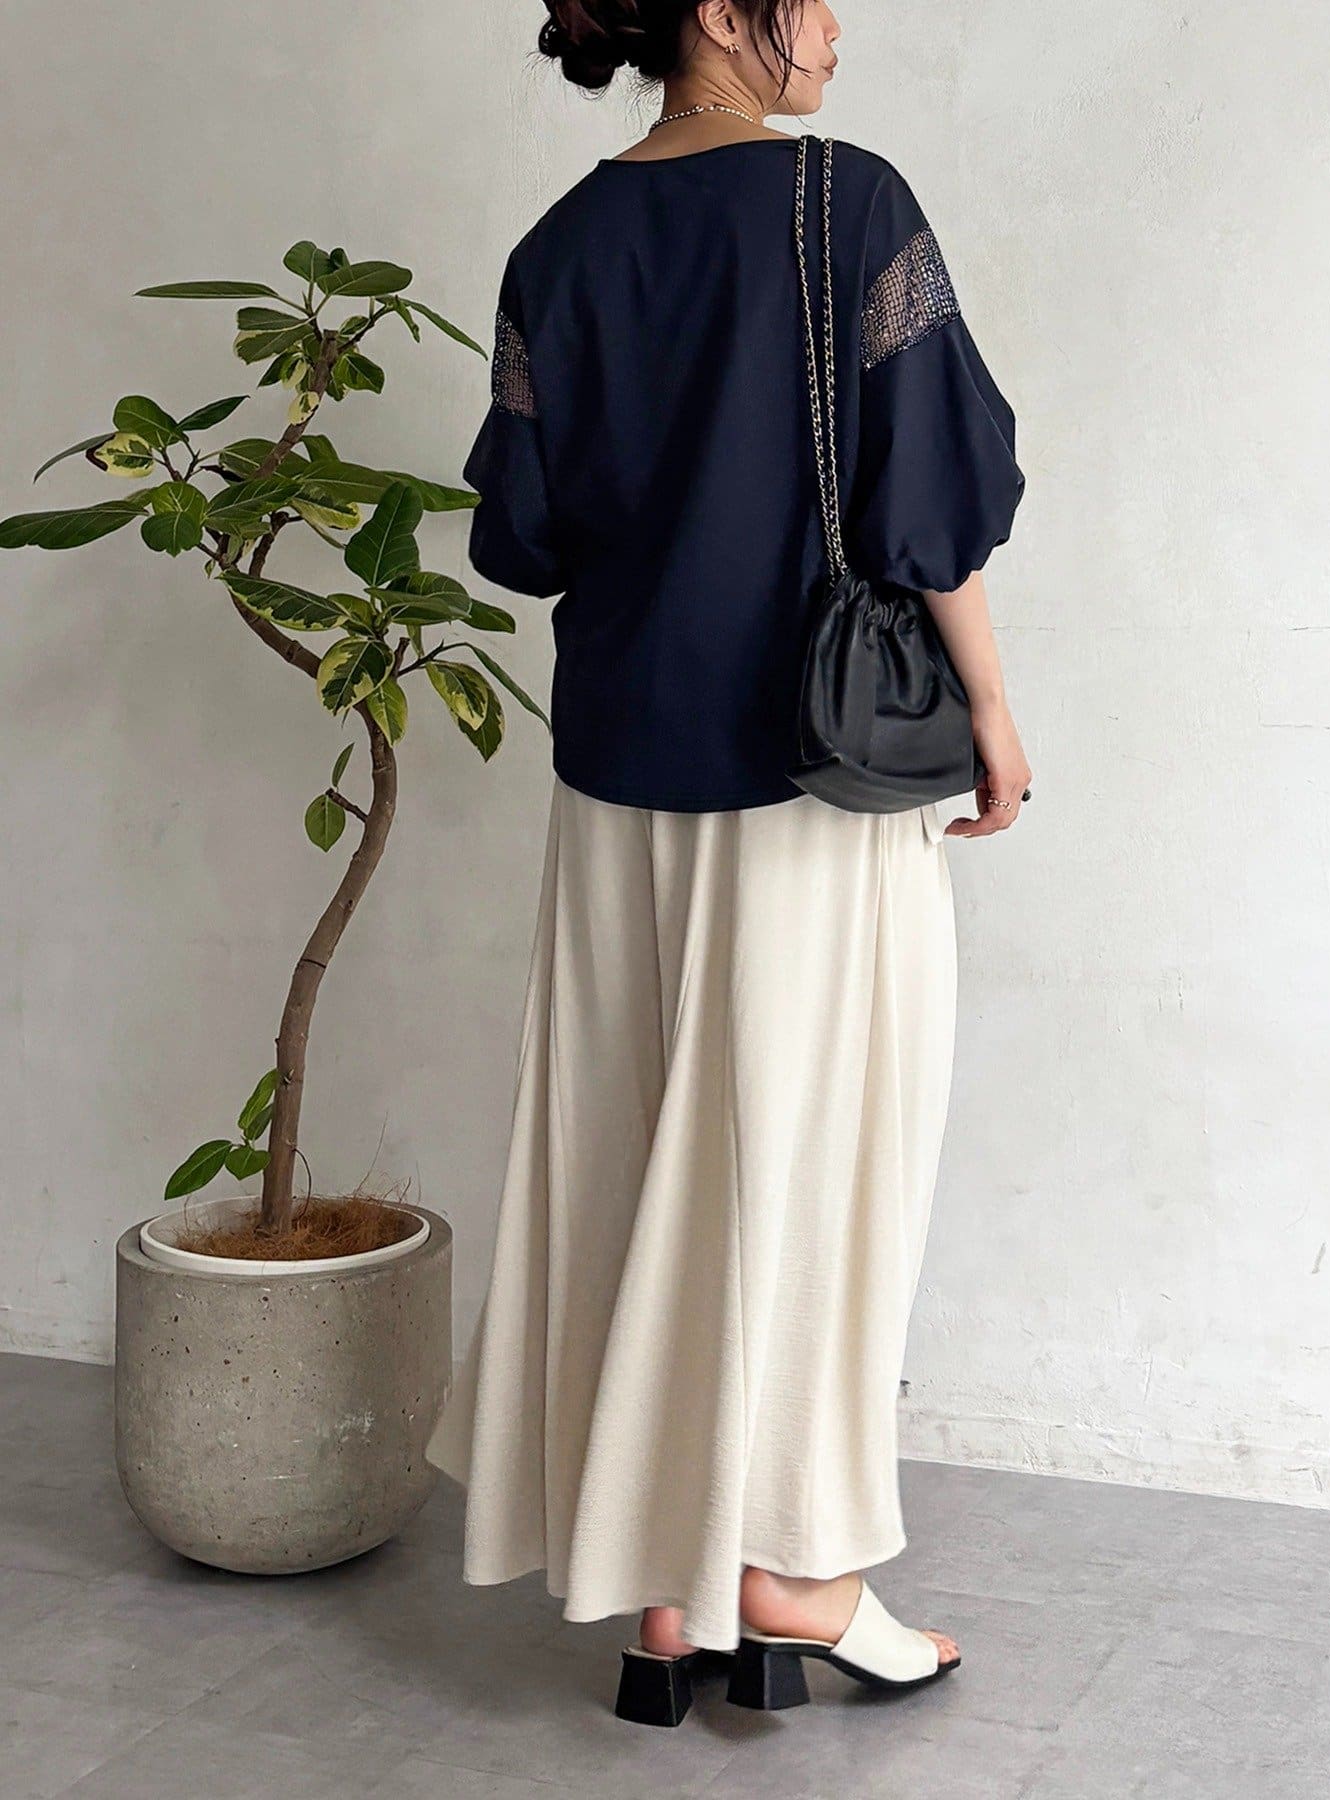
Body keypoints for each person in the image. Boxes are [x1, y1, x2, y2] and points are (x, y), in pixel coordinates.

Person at [424, 0, 1031, 1726]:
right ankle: (794, 1571)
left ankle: (665, 1585)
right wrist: (993, 708)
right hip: (807, 773)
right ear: (720, 13)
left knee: (641, 1155)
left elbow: (525, 532)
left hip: (619, 773)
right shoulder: (852, 204)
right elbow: (935, 495)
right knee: (819, 1164)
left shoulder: (558, 245)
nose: (837, 27)